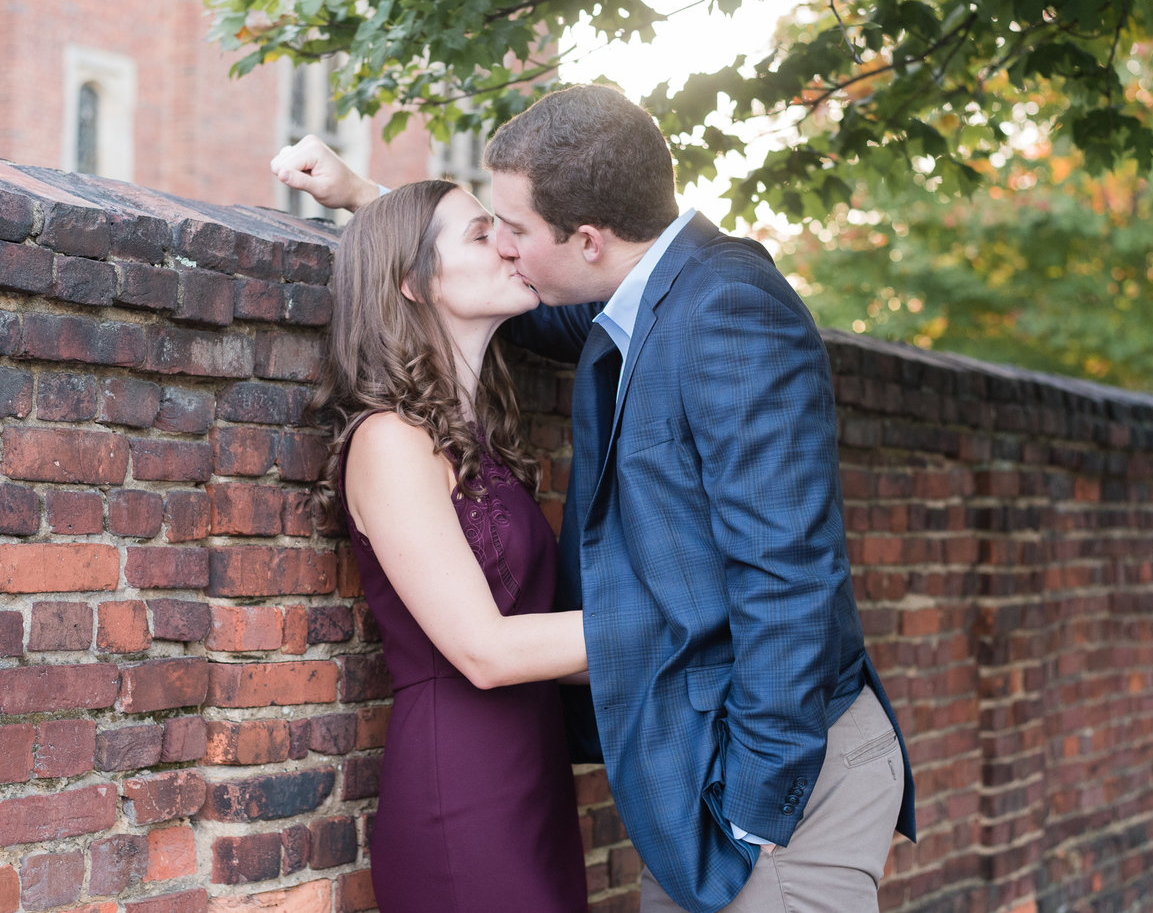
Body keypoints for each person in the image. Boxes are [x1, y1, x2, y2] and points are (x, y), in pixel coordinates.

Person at [275, 84, 916, 913]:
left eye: (513, 230)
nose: (507, 250)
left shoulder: (725, 309)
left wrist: (751, 814)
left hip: (780, 773)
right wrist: (371, 205)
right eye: (487, 231)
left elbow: (790, 571)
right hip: (681, 774)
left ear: (586, 239)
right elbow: (505, 302)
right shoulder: (642, 306)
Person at [312, 178, 590, 913]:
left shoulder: (479, 440)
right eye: (479, 234)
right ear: (412, 281)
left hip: (535, 772)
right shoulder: (389, 441)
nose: (507, 242)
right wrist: (686, 621)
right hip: (462, 789)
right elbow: (485, 649)